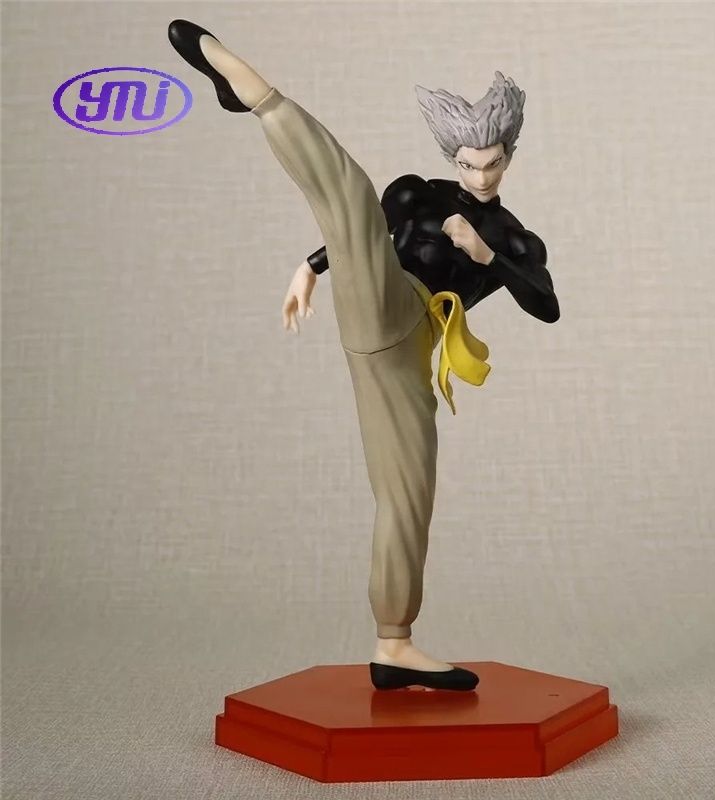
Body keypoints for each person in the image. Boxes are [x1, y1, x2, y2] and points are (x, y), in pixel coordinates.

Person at [168, 20, 559, 691]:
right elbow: (366, 235)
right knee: (351, 197)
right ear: (452, 156)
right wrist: (310, 267)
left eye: (493, 162)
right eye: (468, 162)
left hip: (409, 352)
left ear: (509, 156)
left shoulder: (514, 236)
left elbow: (545, 304)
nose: (480, 174)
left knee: (407, 494)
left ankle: (393, 643)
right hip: (382, 302)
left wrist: (485, 253)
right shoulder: (418, 193)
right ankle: (257, 96)